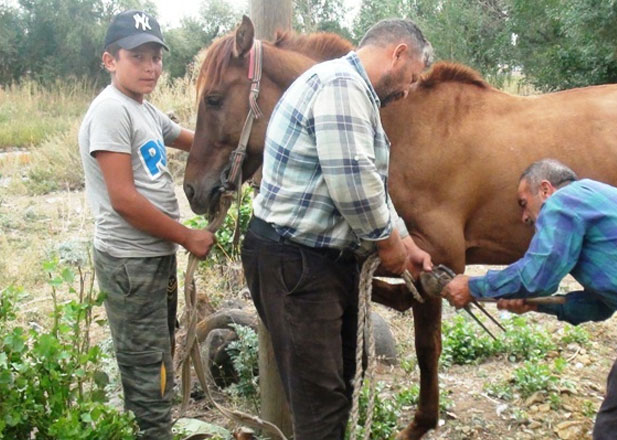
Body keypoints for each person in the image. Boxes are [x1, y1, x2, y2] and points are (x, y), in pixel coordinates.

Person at [241, 19, 435, 439]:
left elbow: (369, 179)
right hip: (297, 262)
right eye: (412, 77)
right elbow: (353, 183)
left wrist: (403, 240)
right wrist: (389, 244)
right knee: (321, 404)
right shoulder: (343, 86)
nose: (408, 90)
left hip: (313, 261)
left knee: (338, 386)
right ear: (397, 53)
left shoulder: (351, 91)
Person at [441, 159, 617, 440]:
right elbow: (601, 306)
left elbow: (537, 275)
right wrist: (537, 304)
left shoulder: (565, 202)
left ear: (545, 189)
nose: (524, 218)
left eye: (523, 203)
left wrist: (476, 286)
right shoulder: (599, 200)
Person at [78, 10, 215, 439]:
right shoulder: (110, 111)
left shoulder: (143, 109)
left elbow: (188, 138)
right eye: (138, 56)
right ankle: (152, 432)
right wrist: (187, 236)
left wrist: (235, 144)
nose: (151, 66)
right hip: (130, 263)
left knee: (159, 352)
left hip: (153, 257)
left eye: (156, 56)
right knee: (146, 367)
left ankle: (157, 426)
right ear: (110, 60)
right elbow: (124, 200)